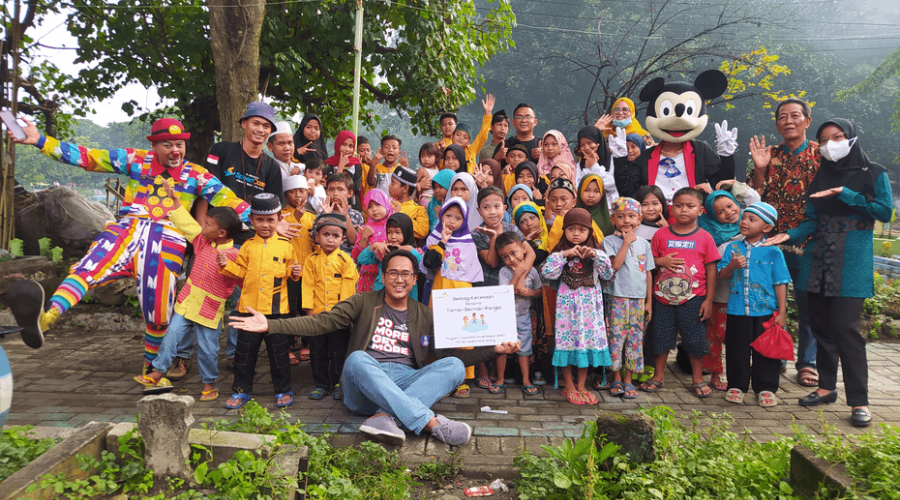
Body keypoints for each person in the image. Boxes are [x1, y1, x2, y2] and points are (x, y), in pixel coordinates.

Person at [7, 118, 251, 373]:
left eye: (180, 144)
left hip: (167, 236)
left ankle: (151, 372)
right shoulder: (135, 159)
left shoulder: (196, 174)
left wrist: (267, 221)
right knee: (87, 268)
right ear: (154, 146)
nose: (175, 150)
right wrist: (40, 141)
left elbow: (228, 198)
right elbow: (89, 157)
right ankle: (46, 318)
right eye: (167, 145)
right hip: (128, 228)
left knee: (158, 313)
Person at [229, 250, 521, 447]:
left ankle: (385, 418)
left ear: (415, 279)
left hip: (407, 381)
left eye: (406, 274)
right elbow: (321, 323)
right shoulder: (364, 301)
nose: (399, 279)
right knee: (356, 359)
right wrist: (271, 326)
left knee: (455, 368)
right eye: (393, 273)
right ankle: (431, 423)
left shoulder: (425, 314)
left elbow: (451, 356)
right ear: (384, 276)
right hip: (365, 386)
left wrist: (493, 349)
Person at [765, 118, 893, 427]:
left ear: (851, 138)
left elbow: (883, 211)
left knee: (846, 329)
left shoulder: (874, 173)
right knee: (819, 326)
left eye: (837, 137)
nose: (830, 143)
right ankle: (825, 388)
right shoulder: (819, 175)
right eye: (824, 139)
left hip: (852, 260)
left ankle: (859, 402)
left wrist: (845, 193)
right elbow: (812, 220)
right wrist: (789, 234)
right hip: (817, 257)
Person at [135, 181, 243, 399]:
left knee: (208, 350)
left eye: (208, 224)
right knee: (171, 336)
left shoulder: (234, 254)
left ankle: (208, 384)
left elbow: (241, 278)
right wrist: (175, 201)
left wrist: (227, 267)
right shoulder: (203, 241)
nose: (203, 227)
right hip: (187, 302)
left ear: (221, 233)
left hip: (209, 309)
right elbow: (187, 225)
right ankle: (156, 372)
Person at [747, 98, 820, 387]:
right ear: (776, 124)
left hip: (808, 241)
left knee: (808, 304)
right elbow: (753, 198)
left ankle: (807, 362)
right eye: (782, 117)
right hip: (769, 242)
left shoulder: (820, 156)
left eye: (795, 116)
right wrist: (761, 169)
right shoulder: (769, 154)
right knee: (771, 303)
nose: (788, 121)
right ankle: (773, 356)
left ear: (807, 121)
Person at [219, 193, 301, 409]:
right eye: (260, 220)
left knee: (279, 354)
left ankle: (282, 390)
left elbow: (293, 273)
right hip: (248, 309)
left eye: (270, 220)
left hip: (277, 310)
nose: (265, 225)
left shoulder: (286, 246)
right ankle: (241, 391)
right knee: (244, 354)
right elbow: (242, 272)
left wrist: (295, 272)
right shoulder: (246, 246)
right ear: (252, 220)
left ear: (278, 219)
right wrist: (225, 264)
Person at [643, 187, 719, 398]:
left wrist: (709, 300)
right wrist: (661, 261)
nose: (684, 210)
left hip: (694, 300)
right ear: (671, 209)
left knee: (695, 340)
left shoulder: (705, 238)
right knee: (660, 337)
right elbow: (648, 264)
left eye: (690, 206)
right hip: (662, 299)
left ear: (701, 210)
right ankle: (658, 376)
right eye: (679, 205)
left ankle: (697, 379)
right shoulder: (661, 235)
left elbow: (712, 269)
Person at [719, 202, 791, 407]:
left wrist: (782, 312)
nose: (744, 222)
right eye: (744, 218)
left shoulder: (774, 252)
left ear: (767, 227)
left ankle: (766, 387)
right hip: (736, 310)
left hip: (766, 312)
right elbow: (723, 275)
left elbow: (781, 283)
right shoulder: (732, 248)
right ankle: (736, 386)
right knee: (736, 348)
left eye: (752, 220)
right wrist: (732, 265)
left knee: (767, 350)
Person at [540, 208, 614, 405]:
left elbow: (608, 274)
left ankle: (581, 385)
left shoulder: (596, 252)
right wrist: (565, 254)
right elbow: (547, 272)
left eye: (582, 229)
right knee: (567, 342)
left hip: (591, 311)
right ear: (564, 230)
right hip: (567, 311)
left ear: (590, 231)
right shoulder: (560, 252)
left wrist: (596, 255)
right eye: (571, 228)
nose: (576, 233)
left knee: (585, 343)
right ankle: (569, 385)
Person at [421, 197, 484, 397]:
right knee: (440, 333)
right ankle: (441, 378)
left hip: (463, 292)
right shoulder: (434, 238)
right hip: (441, 289)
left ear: (464, 221)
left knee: (463, 334)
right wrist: (443, 242)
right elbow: (429, 263)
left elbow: (474, 272)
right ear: (441, 215)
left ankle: (461, 378)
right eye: (448, 215)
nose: (451, 221)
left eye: (457, 218)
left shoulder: (469, 242)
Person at [303, 213, 360, 400]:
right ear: (317, 236)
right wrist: (309, 313)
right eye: (326, 234)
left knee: (339, 352)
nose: (330, 239)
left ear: (342, 239)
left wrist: (344, 316)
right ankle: (321, 384)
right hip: (317, 316)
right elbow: (308, 286)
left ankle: (338, 383)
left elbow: (348, 290)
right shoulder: (311, 260)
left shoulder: (346, 261)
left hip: (338, 318)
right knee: (317, 352)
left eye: (335, 236)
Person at [601, 198, 654, 400]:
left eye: (631, 216)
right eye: (621, 216)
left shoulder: (644, 244)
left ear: (639, 219)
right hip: (617, 297)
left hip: (638, 299)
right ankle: (616, 377)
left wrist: (649, 301)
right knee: (616, 337)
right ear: (613, 219)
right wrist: (626, 242)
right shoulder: (609, 241)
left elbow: (648, 272)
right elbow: (614, 266)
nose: (626, 220)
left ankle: (629, 379)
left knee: (635, 340)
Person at [495, 231, 543, 396]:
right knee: (502, 349)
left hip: (523, 317)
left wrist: (530, 292)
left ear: (523, 249)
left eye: (513, 253)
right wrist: (516, 275)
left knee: (524, 349)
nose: (511, 259)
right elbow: (505, 292)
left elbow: (539, 291)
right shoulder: (505, 272)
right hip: (505, 317)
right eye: (505, 257)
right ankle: (500, 379)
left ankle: (526, 380)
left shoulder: (533, 272)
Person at [357, 212, 422, 298]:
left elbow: (422, 266)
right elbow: (361, 259)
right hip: (383, 296)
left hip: (407, 298)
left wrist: (410, 250)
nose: (393, 236)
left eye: (397, 232)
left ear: (406, 232)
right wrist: (374, 246)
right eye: (389, 232)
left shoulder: (413, 251)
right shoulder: (384, 249)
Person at [352, 190, 394, 293]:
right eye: (369, 206)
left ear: (386, 203)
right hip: (368, 278)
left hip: (388, 276)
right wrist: (364, 238)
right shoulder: (365, 228)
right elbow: (356, 257)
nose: (374, 209)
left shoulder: (394, 226)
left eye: (378, 204)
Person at [449, 94, 496, 173]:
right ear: (452, 137)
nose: (461, 138)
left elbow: (482, 136)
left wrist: (488, 113)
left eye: (465, 137)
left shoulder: (471, 150)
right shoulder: (446, 149)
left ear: (468, 142)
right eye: (458, 135)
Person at [574, 126, 617, 206]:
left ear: (598, 142)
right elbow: (578, 187)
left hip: (608, 211)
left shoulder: (613, 160)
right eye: (582, 145)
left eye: (590, 142)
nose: (586, 148)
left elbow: (612, 185)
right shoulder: (579, 167)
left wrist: (594, 166)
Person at [323, 172, 364, 254]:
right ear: (326, 192)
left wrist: (346, 216)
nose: (335, 193)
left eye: (340, 189)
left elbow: (354, 241)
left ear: (350, 193)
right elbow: (318, 240)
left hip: (348, 261)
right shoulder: (323, 213)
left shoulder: (356, 215)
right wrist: (327, 216)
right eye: (331, 189)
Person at [324, 130, 365, 211]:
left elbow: (355, 188)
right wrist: (341, 166)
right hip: (331, 207)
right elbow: (330, 185)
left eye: (350, 146)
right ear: (337, 144)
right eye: (344, 144)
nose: (347, 149)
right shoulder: (329, 163)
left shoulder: (356, 164)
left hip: (352, 207)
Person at [390, 166, 430, 240]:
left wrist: (401, 215)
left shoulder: (419, 210)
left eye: (393, 183)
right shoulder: (388, 205)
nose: (389, 186)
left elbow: (422, 232)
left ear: (405, 188)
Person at [415, 142, 442, 208]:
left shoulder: (437, 168)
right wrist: (419, 185)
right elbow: (413, 183)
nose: (426, 159)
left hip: (436, 198)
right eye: (423, 156)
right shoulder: (422, 170)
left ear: (436, 157)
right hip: (426, 198)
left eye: (429, 156)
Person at [427, 169, 454, 234]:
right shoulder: (432, 204)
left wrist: (440, 217)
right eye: (435, 187)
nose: (437, 190)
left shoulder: (456, 207)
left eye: (440, 187)